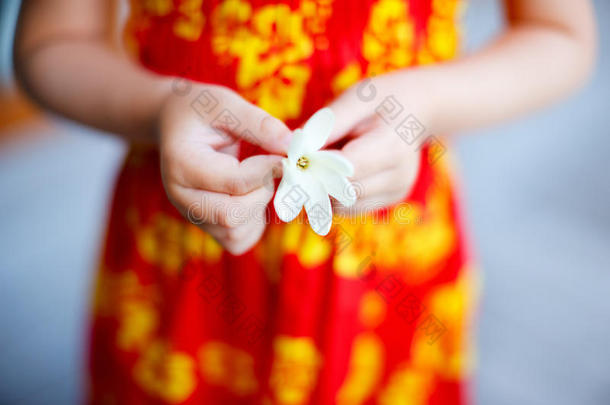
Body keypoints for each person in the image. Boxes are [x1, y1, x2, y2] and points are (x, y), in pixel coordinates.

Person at [14, 0, 596, 403]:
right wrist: (162, 106)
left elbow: (560, 35)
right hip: (185, 254)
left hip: (388, 266)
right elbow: (50, 43)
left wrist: (422, 103)